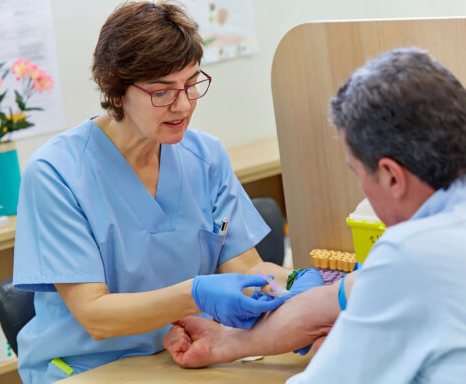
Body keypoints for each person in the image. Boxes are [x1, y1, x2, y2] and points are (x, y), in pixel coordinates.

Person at [12, 2, 324, 383]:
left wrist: (307, 287)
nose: (184, 105)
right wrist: (197, 294)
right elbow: (95, 315)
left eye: (192, 83)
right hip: (87, 367)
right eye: (162, 92)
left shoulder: (205, 156)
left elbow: (247, 269)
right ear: (116, 91)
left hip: (183, 354)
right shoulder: (56, 173)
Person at [163, 47, 466, 383]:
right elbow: (329, 301)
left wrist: (341, 347)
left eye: (358, 174)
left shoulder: (409, 254)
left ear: (392, 176)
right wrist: (225, 343)